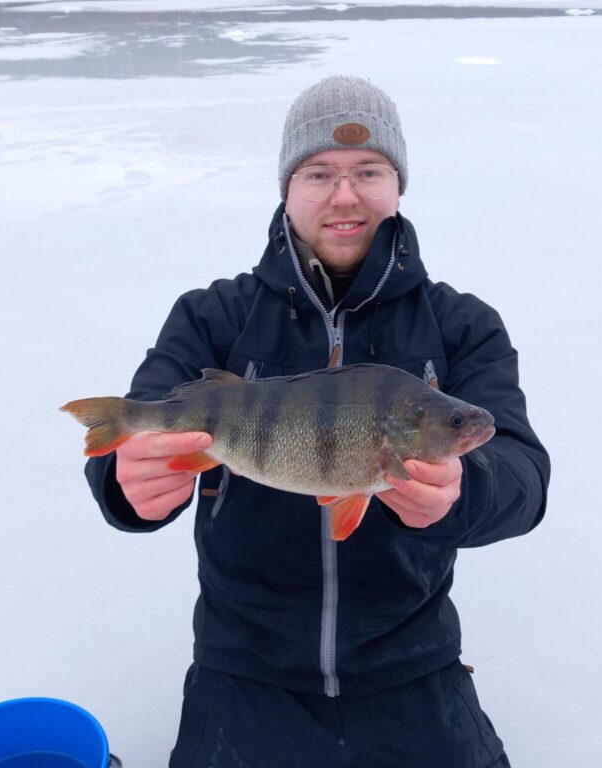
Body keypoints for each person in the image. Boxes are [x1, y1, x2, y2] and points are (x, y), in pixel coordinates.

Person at [84, 75, 550, 767]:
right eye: (319, 172)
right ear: (287, 188)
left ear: (398, 185)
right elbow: (131, 439)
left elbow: (522, 475)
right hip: (242, 668)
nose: (345, 195)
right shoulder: (211, 318)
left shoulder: (462, 325)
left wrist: (465, 490)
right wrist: (125, 483)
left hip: (413, 664)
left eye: (369, 171)